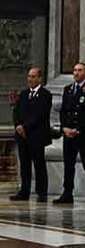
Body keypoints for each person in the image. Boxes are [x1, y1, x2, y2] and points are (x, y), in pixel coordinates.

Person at [56, 62, 85, 205]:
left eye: (80, 70)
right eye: (75, 70)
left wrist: (81, 129)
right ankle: (67, 193)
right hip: (69, 134)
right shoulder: (68, 89)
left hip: (83, 134)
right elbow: (63, 111)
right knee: (68, 165)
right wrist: (65, 128)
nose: (76, 73)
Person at [11, 66, 53, 202]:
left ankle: (42, 192)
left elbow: (40, 115)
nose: (30, 79)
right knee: (25, 165)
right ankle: (24, 191)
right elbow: (16, 111)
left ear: (39, 78)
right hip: (22, 136)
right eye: (29, 76)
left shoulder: (45, 95)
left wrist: (25, 126)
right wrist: (18, 125)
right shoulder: (23, 94)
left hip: (36, 135)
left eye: (33, 76)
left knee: (39, 164)